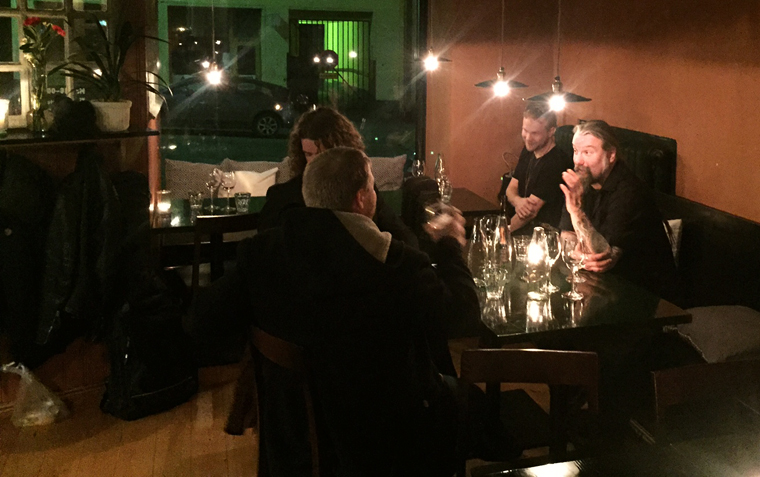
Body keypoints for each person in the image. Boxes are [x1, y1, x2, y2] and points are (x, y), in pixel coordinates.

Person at [191, 147, 480, 477]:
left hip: (291, 438)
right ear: (361, 198)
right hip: (386, 443)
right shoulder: (399, 267)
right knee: (467, 401)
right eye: (372, 187)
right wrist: (450, 246)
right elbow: (463, 315)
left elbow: (203, 322)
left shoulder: (260, 254)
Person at [258, 107, 417, 248]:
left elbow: (406, 240)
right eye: (309, 154)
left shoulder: (362, 190)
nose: (316, 162)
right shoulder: (283, 197)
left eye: (324, 154)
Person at [559, 120, 680, 302]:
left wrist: (576, 211)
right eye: (576, 151)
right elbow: (566, 238)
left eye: (588, 152)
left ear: (611, 155)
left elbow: (599, 254)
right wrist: (576, 252)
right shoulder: (584, 182)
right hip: (605, 288)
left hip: (647, 296)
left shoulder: (630, 192)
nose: (578, 161)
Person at [505, 102, 570, 232]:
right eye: (525, 130)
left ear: (551, 131)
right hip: (523, 231)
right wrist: (518, 201)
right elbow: (511, 188)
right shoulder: (528, 150)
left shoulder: (556, 162)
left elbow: (530, 213)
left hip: (545, 234)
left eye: (535, 133)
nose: (528, 138)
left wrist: (503, 234)